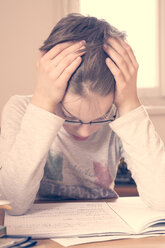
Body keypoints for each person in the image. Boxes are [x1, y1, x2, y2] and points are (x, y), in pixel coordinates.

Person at [0, 13, 165, 215]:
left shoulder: (119, 114)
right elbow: (12, 205)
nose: (85, 132)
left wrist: (130, 105)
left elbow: (162, 201)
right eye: (70, 115)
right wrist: (43, 103)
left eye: (100, 118)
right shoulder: (21, 110)